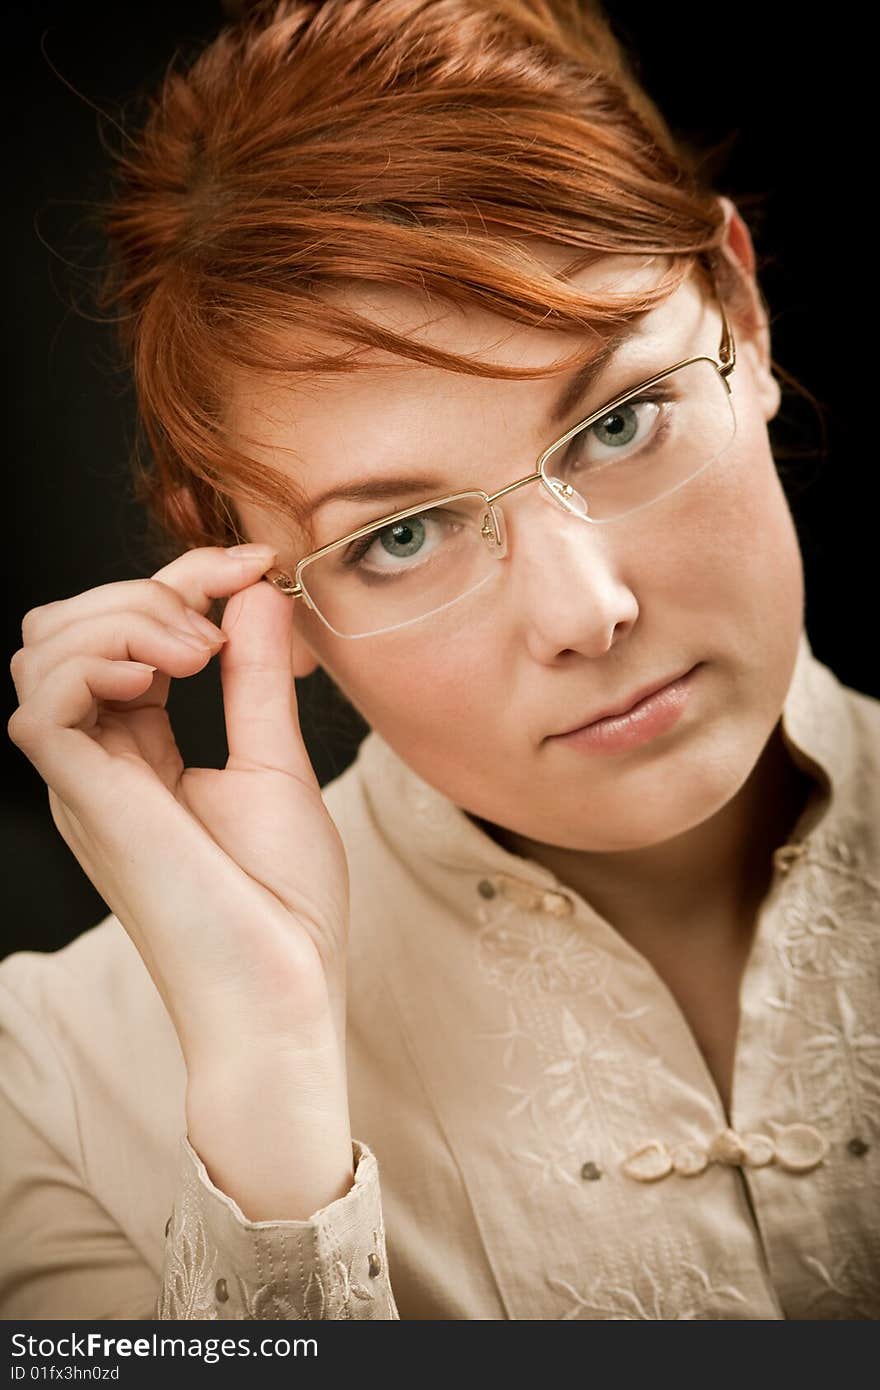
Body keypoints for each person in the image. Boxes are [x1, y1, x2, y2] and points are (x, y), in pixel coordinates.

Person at [2, 0, 878, 1322]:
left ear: (742, 317)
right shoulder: (55, 1086)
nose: (587, 611)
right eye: (401, 535)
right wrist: (269, 1076)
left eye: (621, 421)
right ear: (257, 592)